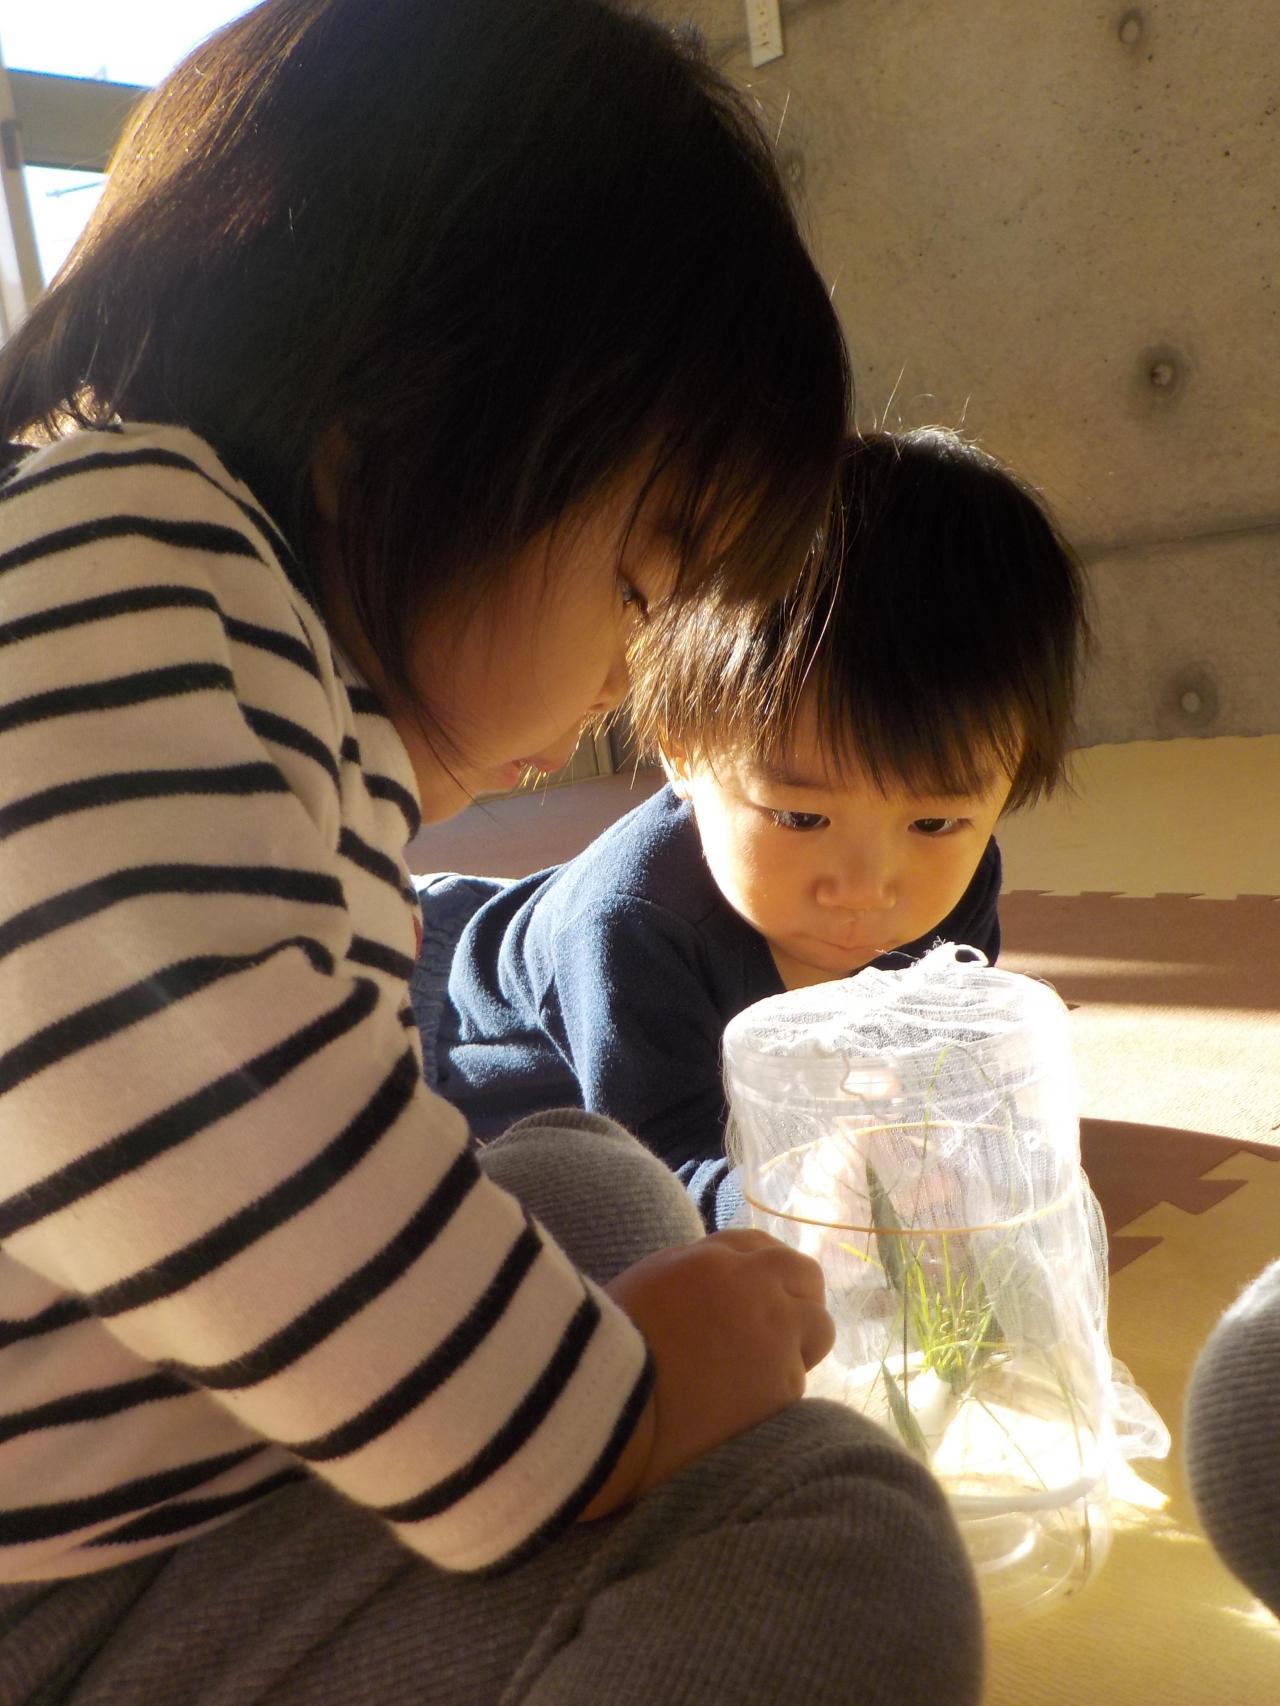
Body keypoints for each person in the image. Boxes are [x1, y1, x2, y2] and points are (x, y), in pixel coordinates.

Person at [0, 4, 984, 1702]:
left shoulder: (203, 624)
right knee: (841, 1538)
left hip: (134, 1475)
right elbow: (144, 1075)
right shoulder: (131, 560)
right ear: (399, 417)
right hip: (61, 1587)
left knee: (579, 1176)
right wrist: (613, 1412)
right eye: (639, 585)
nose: (621, 680)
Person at [426, 429, 1086, 1225]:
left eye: (935, 820)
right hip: (432, 1026)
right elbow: (658, 1178)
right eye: (801, 816)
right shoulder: (632, 931)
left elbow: (939, 1072)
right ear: (681, 750)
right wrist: (801, 1198)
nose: (864, 888)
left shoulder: (960, 879)